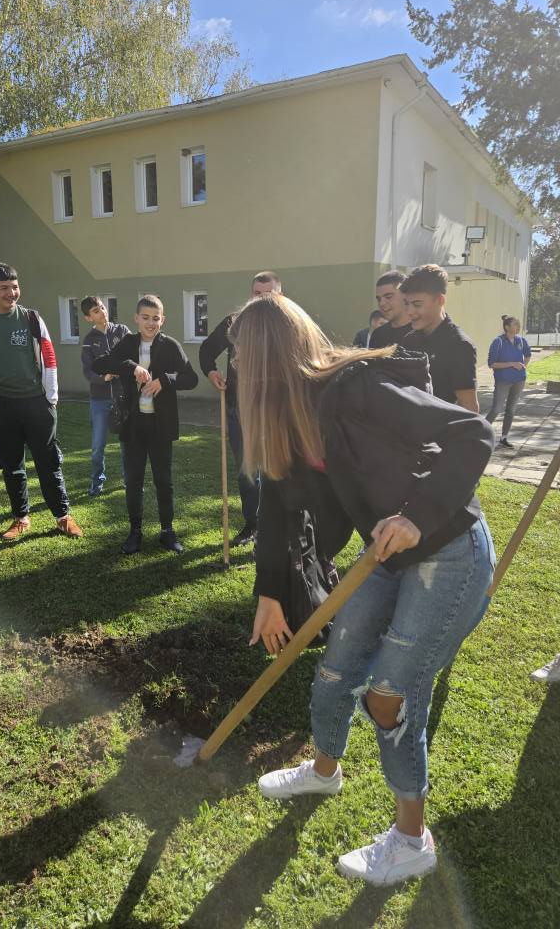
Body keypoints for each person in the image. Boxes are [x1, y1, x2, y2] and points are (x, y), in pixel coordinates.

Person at [231, 294, 494, 885]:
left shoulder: (355, 391)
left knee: (389, 696)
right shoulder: (288, 419)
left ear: (271, 354)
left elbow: (470, 432)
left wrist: (416, 516)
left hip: (448, 549)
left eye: (244, 353)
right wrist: (270, 591)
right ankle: (324, 770)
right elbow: (277, 507)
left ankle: (411, 839)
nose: (237, 366)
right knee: (335, 667)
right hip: (384, 555)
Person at [0, 263, 82, 541]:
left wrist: (50, 399)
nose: (11, 293)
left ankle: (63, 516)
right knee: (12, 465)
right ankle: (20, 518)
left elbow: (49, 359)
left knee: (49, 462)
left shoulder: (31, 319)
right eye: (4, 288)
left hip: (35, 404)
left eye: (15, 287)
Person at [92, 294, 198, 554]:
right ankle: (135, 532)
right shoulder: (127, 343)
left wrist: (165, 380)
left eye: (156, 318)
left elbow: (191, 378)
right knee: (134, 481)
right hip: (133, 426)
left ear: (163, 319)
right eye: (146, 318)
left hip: (161, 426)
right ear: (136, 319)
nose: (151, 323)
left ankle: (167, 531)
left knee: (164, 481)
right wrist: (130, 367)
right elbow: (99, 363)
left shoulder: (170, 345)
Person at [198, 271, 282, 547]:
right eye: (257, 294)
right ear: (251, 295)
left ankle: (276, 526)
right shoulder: (235, 323)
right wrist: (211, 373)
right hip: (238, 411)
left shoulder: (288, 326)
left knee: (276, 471)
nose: (261, 299)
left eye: (268, 294)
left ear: (279, 295)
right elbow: (207, 349)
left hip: (274, 414)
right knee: (247, 472)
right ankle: (253, 524)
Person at [401, 264, 479, 411]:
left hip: (442, 431)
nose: (410, 311)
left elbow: (469, 408)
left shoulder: (459, 345)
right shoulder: (409, 340)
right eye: (407, 304)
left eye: (417, 304)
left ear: (440, 301)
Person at [80, 296, 130, 495]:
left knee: (127, 442)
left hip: (123, 397)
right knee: (97, 446)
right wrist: (104, 377)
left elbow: (132, 356)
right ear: (88, 318)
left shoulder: (122, 331)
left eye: (102, 307)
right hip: (99, 401)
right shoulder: (89, 341)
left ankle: (129, 480)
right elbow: (88, 372)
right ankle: (97, 482)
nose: (102, 312)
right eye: (95, 311)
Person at [485, 315, 532, 449]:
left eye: (518, 325)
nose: (518, 327)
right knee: (496, 409)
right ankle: (478, 434)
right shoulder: (498, 342)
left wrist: (523, 365)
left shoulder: (521, 340)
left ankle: (504, 438)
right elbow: (492, 364)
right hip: (503, 381)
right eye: (515, 325)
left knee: (511, 410)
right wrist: (511, 364)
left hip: (519, 380)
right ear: (507, 327)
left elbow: (528, 354)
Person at [369, 270, 412, 349]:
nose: (382, 303)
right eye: (379, 299)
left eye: (388, 297)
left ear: (406, 295)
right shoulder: (378, 335)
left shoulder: (422, 332)